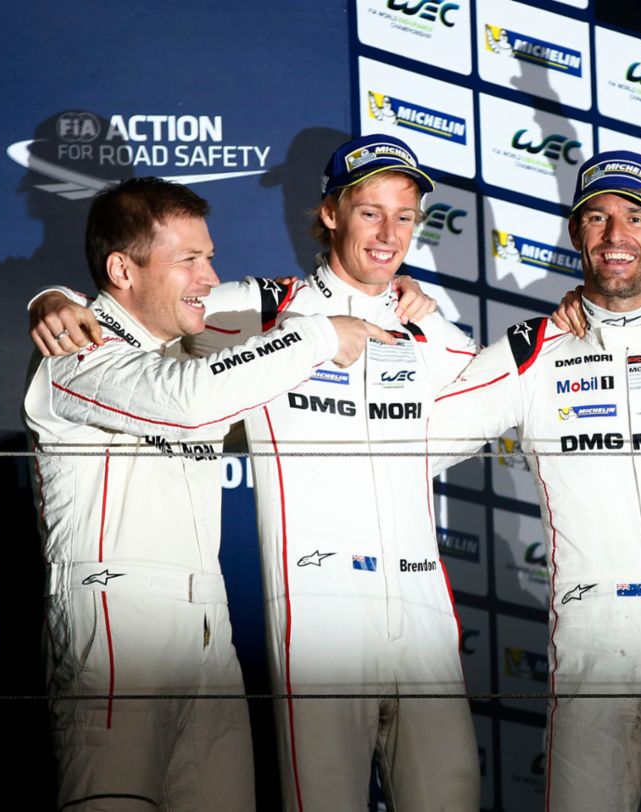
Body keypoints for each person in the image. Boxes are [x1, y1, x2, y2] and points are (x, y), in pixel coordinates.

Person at [30, 134, 481, 811]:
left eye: (210, 258)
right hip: (115, 630)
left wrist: (387, 305)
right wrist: (323, 333)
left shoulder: (193, 343)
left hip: (211, 632)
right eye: (191, 260)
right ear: (124, 271)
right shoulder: (79, 348)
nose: (210, 277)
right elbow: (184, 404)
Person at [428, 150, 641, 811]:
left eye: (635, 218)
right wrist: (419, 327)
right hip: (594, 636)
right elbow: (412, 441)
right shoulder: (531, 350)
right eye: (597, 217)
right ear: (575, 232)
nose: (616, 236)